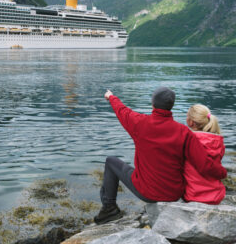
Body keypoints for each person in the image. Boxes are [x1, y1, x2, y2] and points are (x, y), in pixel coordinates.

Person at [94, 87, 228, 225]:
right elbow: (204, 165)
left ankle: (109, 208)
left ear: (153, 104)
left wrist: (111, 97)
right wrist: (223, 173)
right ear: (171, 106)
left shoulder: (139, 123)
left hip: (147, 193)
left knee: (111, 162)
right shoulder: (184, 132)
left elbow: (122, 110)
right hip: (174, 194)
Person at [183, 104, 226, 204]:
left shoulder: (187, 141)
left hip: (193, 195)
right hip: (216, 195)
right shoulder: (219, 142)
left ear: (191, 122)